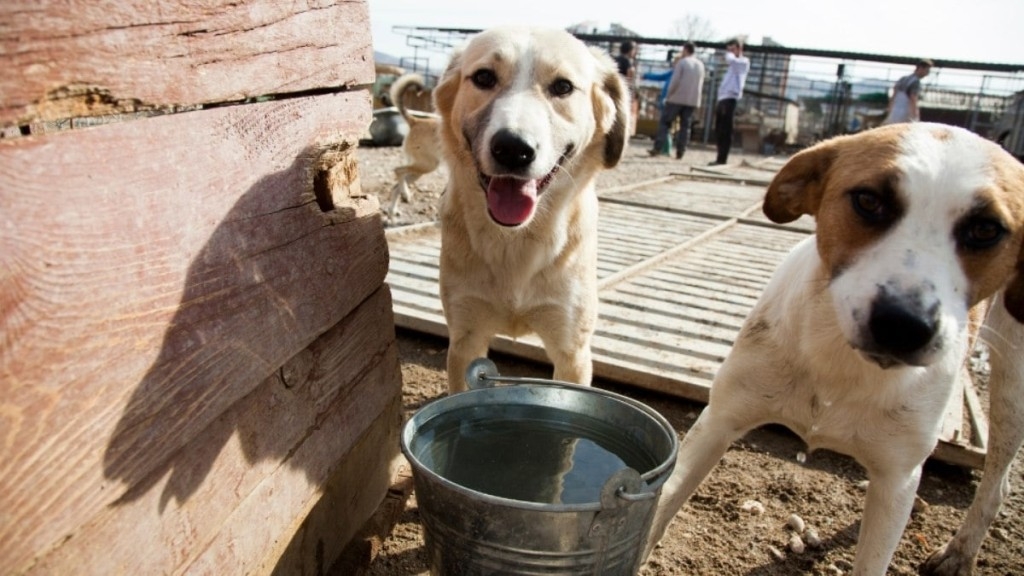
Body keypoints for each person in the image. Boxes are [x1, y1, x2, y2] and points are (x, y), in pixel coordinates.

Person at [648, 42, 705, 159]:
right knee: (685, 127)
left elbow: (675, 81)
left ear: (685, 49)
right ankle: (681, 151)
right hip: (691, 101)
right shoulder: (700, 65)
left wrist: (668, 96)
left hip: (676, 99)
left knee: (665, 123)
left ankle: (657, 148)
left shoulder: (682, 63)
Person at [710, 38, 750, 166]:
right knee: (719, 129)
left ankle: (723, 158)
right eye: (729, 50)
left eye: (733, 50)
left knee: (726, 129)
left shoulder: (743, 62)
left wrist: (730, 55)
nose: (730, 53)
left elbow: (733, 61)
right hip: (723, 98)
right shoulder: (731, 67)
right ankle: (719, 156)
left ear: (739, 49)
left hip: (731, 98)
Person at [882, 58, 933, 124]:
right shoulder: (916, 82)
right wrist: (915, 115)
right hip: (905, 113)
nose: (927, 74)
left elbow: (894, 95)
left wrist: (889, 108)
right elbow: (913, 99)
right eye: (927, 70)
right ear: (920, 68)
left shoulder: (903, 79)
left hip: (894, 111)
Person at [614, 40, 640, 136]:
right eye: (634, 50)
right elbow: (630, 75)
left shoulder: (615, 59)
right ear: (630, 50)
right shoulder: (628, 61)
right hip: (624, 90)